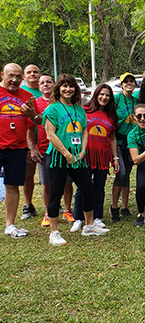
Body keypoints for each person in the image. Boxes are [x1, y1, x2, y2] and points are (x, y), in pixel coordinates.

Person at [44, 74, 110, 245]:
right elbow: (50, 135)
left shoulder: (79, 109)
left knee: (88, 189)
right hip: (59, 157)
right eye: (64, 86)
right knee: (56, 193)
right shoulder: (52, 109)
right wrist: (66, 154)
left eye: (71, 86)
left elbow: (84, 132)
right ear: (58, 88)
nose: (68, 89)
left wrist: (82, 151)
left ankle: (89, 226)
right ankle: (54, 232)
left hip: (78, 157)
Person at [72, 83, 119, 232]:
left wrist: (115, 158)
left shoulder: (111, 116)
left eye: (107, 95)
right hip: (85, 156)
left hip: (102, 157)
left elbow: (112, 138)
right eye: (101, 94)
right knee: (82, 188)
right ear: (96, 94)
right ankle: (78, 218)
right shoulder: (84, 111)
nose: (104, 98)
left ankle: (97, 217)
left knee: (99, 188)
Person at [1, 63, 40, 239]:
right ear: (3, 75)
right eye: (11, 76)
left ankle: (10, 225)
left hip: (17, 148)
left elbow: (38, 121)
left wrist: (32, 114)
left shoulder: (27, 96)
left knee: (12, 185)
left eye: (18, 77)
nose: (15, 80)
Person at [34, 75, 75, 228]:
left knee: (67, 182)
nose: (46, 85)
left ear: (55, 85)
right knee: (46, 183)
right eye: (42, 83)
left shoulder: (65, 103)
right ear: (39, 86)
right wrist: (32, 147)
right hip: (45, 149)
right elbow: (31, 126)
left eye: (49, 82)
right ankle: (48, 212)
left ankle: (67, 210)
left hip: (66, 148)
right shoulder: (36, 104)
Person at [112, 72, 138, 222]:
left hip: (132, 142)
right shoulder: (116, 99)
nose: (129, 83)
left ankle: (125, 206)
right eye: (126, 82)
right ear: (121, 85)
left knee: (127, 174)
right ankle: (114, 207)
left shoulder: (136, 101)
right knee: (121, 173)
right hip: (118, 140)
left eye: (131, 81)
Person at [20, 64, 41, 220]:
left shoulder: (46, 92)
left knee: (50, 176)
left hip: (47, 139)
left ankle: (55, 204)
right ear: (24, 76)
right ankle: (28, 205)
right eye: (29, 72)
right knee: (29, 175)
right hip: (28, 140)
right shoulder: (22, 93)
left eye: (35, 72)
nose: (33, 74)